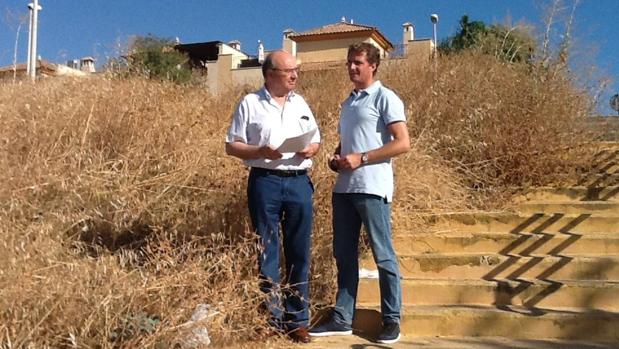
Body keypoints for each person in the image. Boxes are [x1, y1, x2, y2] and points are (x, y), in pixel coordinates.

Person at [309, 42, 410, 344]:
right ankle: (342, 317)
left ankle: (391, 320)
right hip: (344, 189)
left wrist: (362, 158)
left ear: (373, 66)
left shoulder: (385, 97)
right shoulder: (348, 103)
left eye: (358, 63)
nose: (352, 68)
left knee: (383, 254)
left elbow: (403, 142)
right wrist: (338, 157)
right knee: (343, 253)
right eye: (349, 63)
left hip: (372, 187)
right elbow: (351, 142)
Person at [225, 50, 320, 343]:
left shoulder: (300, 102)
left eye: (297, 71)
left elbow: (315, 138)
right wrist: (260, 152)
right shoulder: (250, 104)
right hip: (265, 181)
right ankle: (270, 318)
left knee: (299, 251)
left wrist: (311, 149)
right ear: (270, 74)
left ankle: (297, 320)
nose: (295, 75)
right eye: (289, 71)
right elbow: (232, 145)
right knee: (266, 250)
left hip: (299, 182)